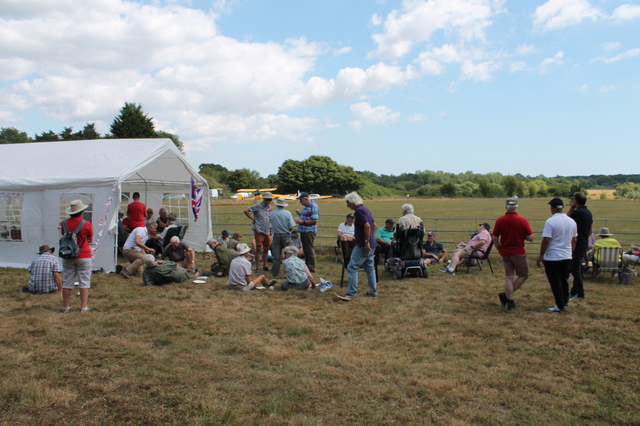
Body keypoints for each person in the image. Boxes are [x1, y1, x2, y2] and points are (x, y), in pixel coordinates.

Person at [492, 197, 534, 310]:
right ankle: (506, 296)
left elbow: (495, 237)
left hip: (505, 253)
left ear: (506, 207)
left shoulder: (500, 220)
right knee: (524, 275)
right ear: (517, 207)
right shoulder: (522, 220)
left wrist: (500, 249)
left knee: (509, 276)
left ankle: (510, 301)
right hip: (518, 252)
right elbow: (530, 237)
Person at [537, 197, 577, 312]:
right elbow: (574, 240)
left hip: (553, 256)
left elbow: (546, 240)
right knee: (564, 280)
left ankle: (559, 304)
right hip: (566, 255)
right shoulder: (571, 221)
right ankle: (565, 301)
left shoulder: (550, 221)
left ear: (553, 208)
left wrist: (541, 256)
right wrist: (571, 253)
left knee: (555, 282)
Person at [338, 192, 377, 301]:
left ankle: (351, 292)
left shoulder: (359, 211)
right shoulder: (366, 209)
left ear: (352, 202)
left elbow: (367, 226)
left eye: (348, 203)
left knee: (352, 267)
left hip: (362, 245)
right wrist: (371, 239)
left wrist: (366, 242)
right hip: (372, 244)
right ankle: (373, 291)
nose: (347, 205)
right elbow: (373, 225)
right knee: (369, 268)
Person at [60, 200, 94, 312]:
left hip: (68, 254)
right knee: (84, 280)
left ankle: (66, 306)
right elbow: (90, 237)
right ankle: (83, 306)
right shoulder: (86, 224)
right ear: (82, 211)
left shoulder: (64, 223)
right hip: (83, 254)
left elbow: (64, 234)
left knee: (67, 281)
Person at [567, 192, 593, 302]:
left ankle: (580, 293)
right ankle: (574, 291)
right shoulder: (588, 212)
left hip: (576, 243)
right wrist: (585, 238)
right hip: (583, 242)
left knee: (575, 269)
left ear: (576, 201)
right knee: (577, 267)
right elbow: (590, 230)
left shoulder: (577, 213)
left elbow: (565, 220)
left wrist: (571, 208)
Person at [244, 192, 273, 272]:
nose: (268, 201)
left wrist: (271, 229)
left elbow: (270, 218)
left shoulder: (269, 207)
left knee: (266, 248)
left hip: (267, 230)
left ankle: (265, 265)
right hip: (259, 229)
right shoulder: (257, 205)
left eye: (270, 200)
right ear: (264, 199)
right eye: (267, 199)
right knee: (258, 248)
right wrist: (253, 219)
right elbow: (246, 210)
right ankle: (257, 267)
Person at [270, 197, 296, 278]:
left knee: (276, 256)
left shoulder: (272, 213)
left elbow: (270, 224)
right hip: (286, 235)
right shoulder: (287, 213)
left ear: (277, 204)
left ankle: (275, 272)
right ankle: (290, 272)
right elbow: (292, 227)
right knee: (290, 254)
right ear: (284, 205)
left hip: (276, 235)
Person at [295, 192, 319, 273]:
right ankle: (307, 267)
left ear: (306, 199)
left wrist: (302, 222)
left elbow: (314, 220)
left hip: (309, 231)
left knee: (309, 250)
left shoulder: (313, 206)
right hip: (303, 231)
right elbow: (306, 216)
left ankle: (311, 268)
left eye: (301, 200)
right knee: (305, 250)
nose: (300, 202)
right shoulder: (306, 207)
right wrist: (300, 214)